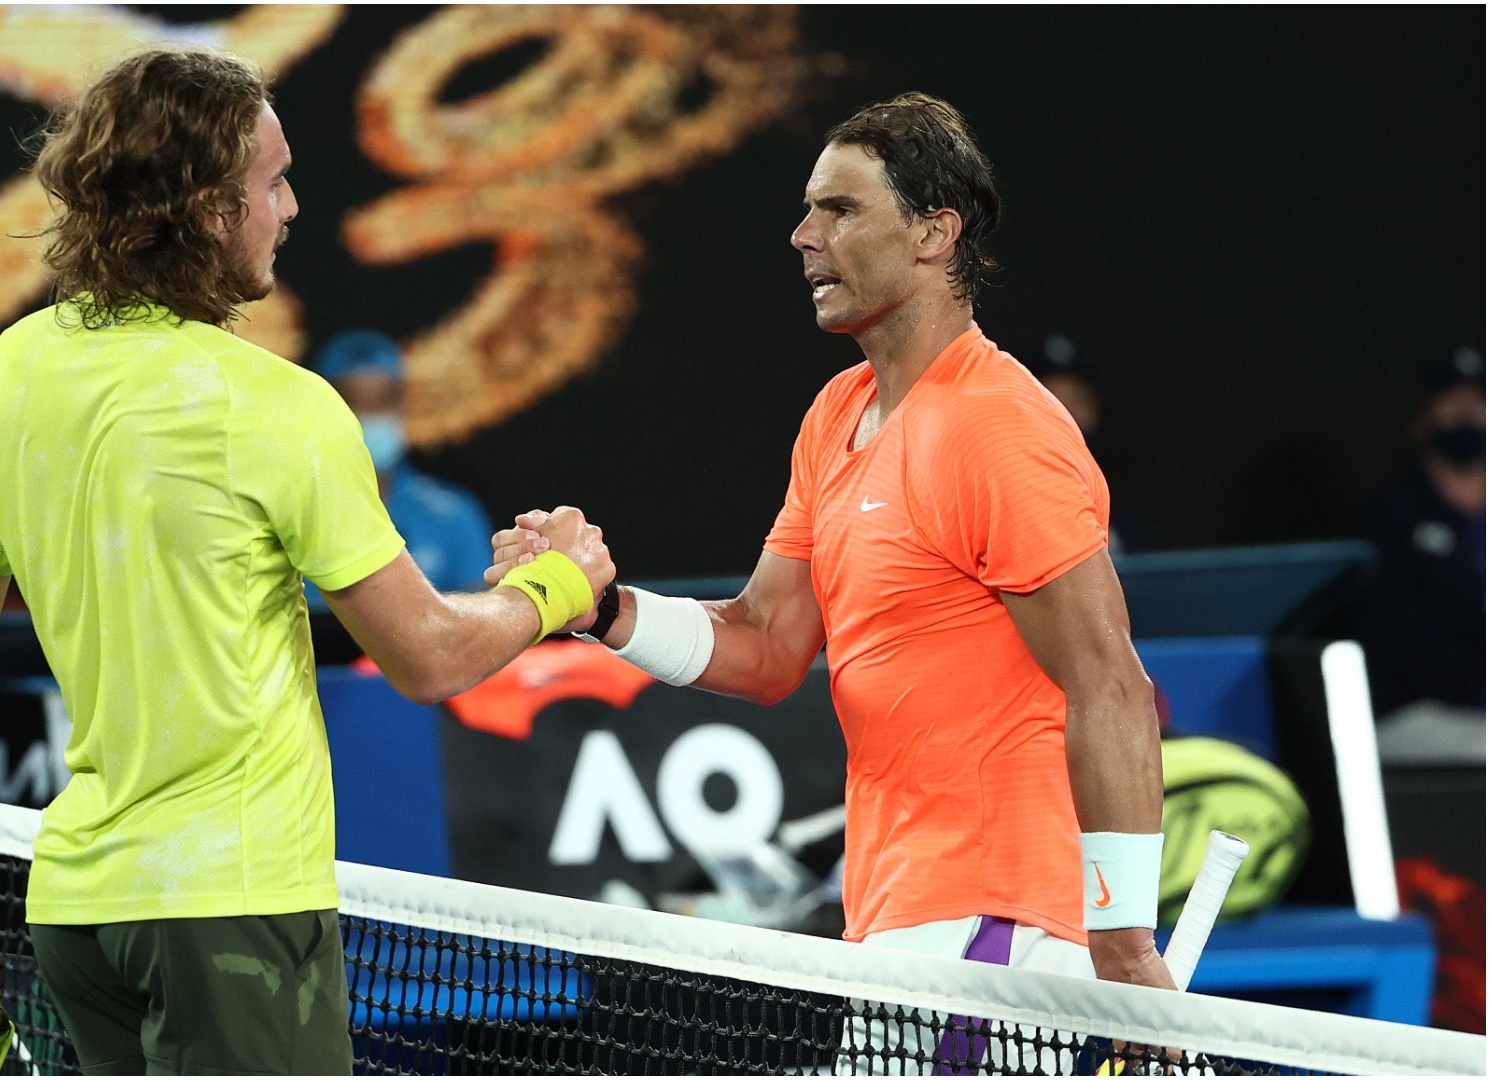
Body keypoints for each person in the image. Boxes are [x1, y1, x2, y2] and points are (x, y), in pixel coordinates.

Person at [0, 47, 614, 1075]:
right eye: (270, 182)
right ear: (205, 206)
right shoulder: (276, 408)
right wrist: (557, 586)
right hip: (231, 918)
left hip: (79, 921)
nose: (290, 206)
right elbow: (429, 657)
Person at [491, 92, 1173, 1071]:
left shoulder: (1000, 430)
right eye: (811, 208)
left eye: (841, 210)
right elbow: (768, 646)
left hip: (1003, 930)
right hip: (903, 921)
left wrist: (1121, 939)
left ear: (935, 232)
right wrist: (603, 609)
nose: (803, 234)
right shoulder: (838, 414)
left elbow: (1110, 687)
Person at [1352, 345, 1485, 765]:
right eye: (1451, 402)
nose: (1467, 415)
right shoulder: (1391, 517)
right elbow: (1402, 644)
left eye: (1478, 400)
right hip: (1417, 713)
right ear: (1422, 418)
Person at [302, 330, 495, 612]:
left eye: (383, 400)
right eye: (353, 401)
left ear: (403, 405)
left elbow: (481, 619)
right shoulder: (291, 510)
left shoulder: (453, 514)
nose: (368, 416)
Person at [1017, 334, 1152, 553]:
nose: (1066, 415)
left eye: (1076, 401)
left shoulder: (1129, 513)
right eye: (1051, 400)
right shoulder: (1002, 514)